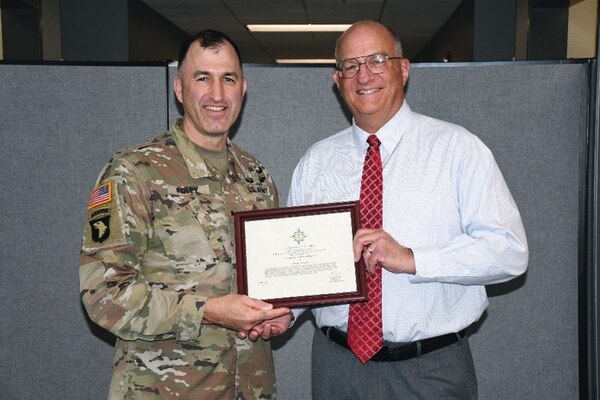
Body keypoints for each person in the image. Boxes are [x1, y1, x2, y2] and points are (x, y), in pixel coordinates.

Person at [287, 20, 529, 399]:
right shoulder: (316, 163)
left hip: (431, 371)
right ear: (338, 81)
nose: (363, 75)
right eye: (350, 66)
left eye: (377, 60)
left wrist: (413, 258)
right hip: (338, 369)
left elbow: (509, 253)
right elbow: (300, 266)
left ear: (403, 68)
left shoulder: (458, 150)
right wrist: (277, 313)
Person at [79, 29, 292, 400]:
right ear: (179, 89)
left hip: (250, 388)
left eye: (228, 78)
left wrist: (274, 311)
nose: (217, 94)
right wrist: (207, 311)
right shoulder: (133, 172)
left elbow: (265, 279)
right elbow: (104, 294)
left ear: (243, 87)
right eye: (202, 78)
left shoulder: (256, 176)